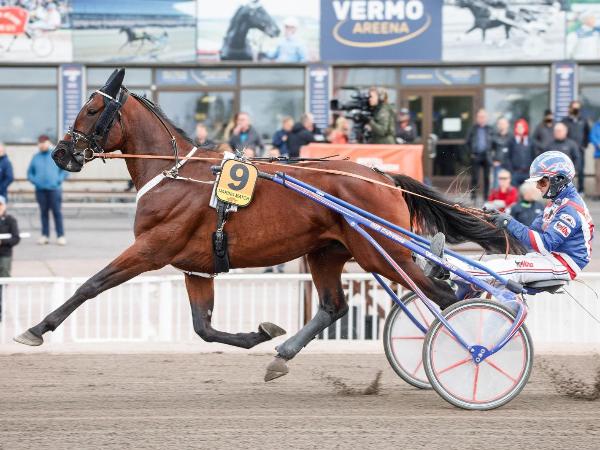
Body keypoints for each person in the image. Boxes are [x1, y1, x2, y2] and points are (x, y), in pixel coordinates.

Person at [423, 152, 594, 294]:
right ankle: (447, 266)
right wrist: (500, 220)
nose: (538, 187)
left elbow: (544, 244)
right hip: (548, 257)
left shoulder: (570, 210)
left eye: (542, 181)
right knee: (492, 259)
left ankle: (446, 268)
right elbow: (531, 231)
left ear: (559, 180)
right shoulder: (556, 203)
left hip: (562, 264)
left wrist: (509, 222)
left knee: (506, 267)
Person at [27, 135, 68, 245]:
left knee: (57, 212)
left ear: (48, 143)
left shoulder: (56, 155)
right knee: (43, 213)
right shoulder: (36, 157)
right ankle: (45, 236)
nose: (42, 145)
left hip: (54, 190)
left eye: (44, 142)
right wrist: (35, 181)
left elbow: (65, 170)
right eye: (40, 143)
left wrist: (58, 180)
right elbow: (30, 173)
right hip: (40, 190)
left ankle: (60, 236)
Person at [561, 100, 590, 193]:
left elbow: (587, 133)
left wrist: (585, 145)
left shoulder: (583, 120)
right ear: (570, 109)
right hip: (568, 150)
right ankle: (567, 190)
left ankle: (581, 190)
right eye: (574, 108)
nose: (576, 110)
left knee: (580, 170)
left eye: (577, 108)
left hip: (580, 150)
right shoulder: (565, 121)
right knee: (567, 171)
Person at [465, 108, 494, 201]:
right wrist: (470, 153)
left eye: (483, 117)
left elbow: (494, 143)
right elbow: (467, 143)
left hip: (487, 155)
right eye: (480, 117)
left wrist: (493, 155)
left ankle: (486, 197)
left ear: (486, 118)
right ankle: (473, 197)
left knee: (487, 178)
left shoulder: (490, 129)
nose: (481, 118)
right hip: (476, 155)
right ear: (477, 118)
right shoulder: (472, 129)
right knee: (475, 178)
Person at [0, 195, 19, 322]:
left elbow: (16, 238)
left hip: (4, 255)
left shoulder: (10, 220)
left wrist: (2, 242)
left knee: (2, 284)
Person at [507, 118, 533, 187]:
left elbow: (533, 155)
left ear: (525, 128)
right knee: (515, 191)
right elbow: (508, 157)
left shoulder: (530, 141)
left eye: (521, 127)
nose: (519, 129)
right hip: (515, 172)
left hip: (527, 173)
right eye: (518, 127)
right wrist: (511, 171)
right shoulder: (512, 141)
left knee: (527, 191)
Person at [491, 117, 512, 188]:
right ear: (498, 125)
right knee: (497, 185)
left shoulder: (512, 137)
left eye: (503, 123)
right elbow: (489, 151)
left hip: (509, 164)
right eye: (500, 123)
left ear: (507, 124)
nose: (502, 125)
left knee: (510, 185)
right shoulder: (494, 137)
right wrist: (492, 161)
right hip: (498, 164)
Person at [590, 117, 600, 199]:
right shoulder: (596, 126)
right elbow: (592, 136)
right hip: (598, 155)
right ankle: (597, 193)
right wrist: (597, 144)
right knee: (598, 175)